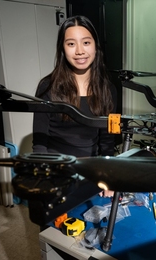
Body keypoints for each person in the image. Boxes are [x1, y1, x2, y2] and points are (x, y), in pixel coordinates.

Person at [32, 15, 116, 197]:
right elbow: (39, 143)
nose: (79, 51)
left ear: (95, 46)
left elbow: (107, 141)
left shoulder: (107, 88)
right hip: (58, 171)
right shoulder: (47, 86)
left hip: (91, 171)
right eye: (71, 44)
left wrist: (107, 174)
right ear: (62, 49)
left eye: (86, 42)